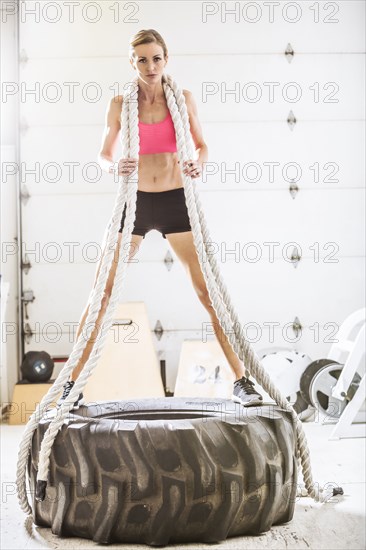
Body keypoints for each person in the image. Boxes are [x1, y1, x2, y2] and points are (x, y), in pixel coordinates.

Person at [58, 29, 263, 409]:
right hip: (133, 201)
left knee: (208, 294)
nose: (150, 66)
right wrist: (112, 166)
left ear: (166, 60)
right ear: (131, 63)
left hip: (174, 202)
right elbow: (103, 154)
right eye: (142, 59)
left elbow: (202, 147)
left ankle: (242, 380)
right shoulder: (121, 103)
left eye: (156, 58)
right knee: (100, 295)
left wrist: (196, 164)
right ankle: (70, 384)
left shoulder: (181, 100)